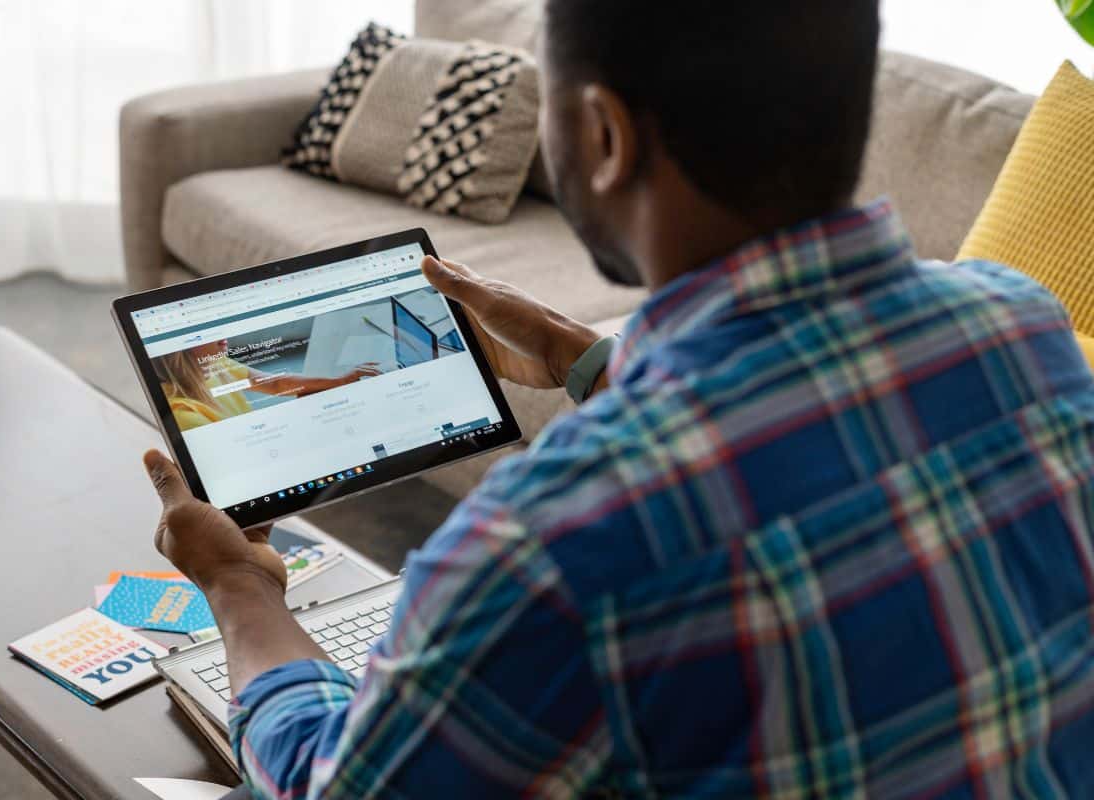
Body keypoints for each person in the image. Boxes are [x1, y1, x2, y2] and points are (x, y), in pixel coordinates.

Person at [141, 1, 1094, 796]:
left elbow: (339, 786)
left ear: (602, 135)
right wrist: (587, 359)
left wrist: (238, 584)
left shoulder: (557, 538)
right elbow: (794, 429)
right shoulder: (1021, 328)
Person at [154, 339, 381, 431]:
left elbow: (275, 384)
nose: (222, 338)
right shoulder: (184, 415)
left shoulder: (213, 363)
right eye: (206, 334)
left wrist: (339, 381)